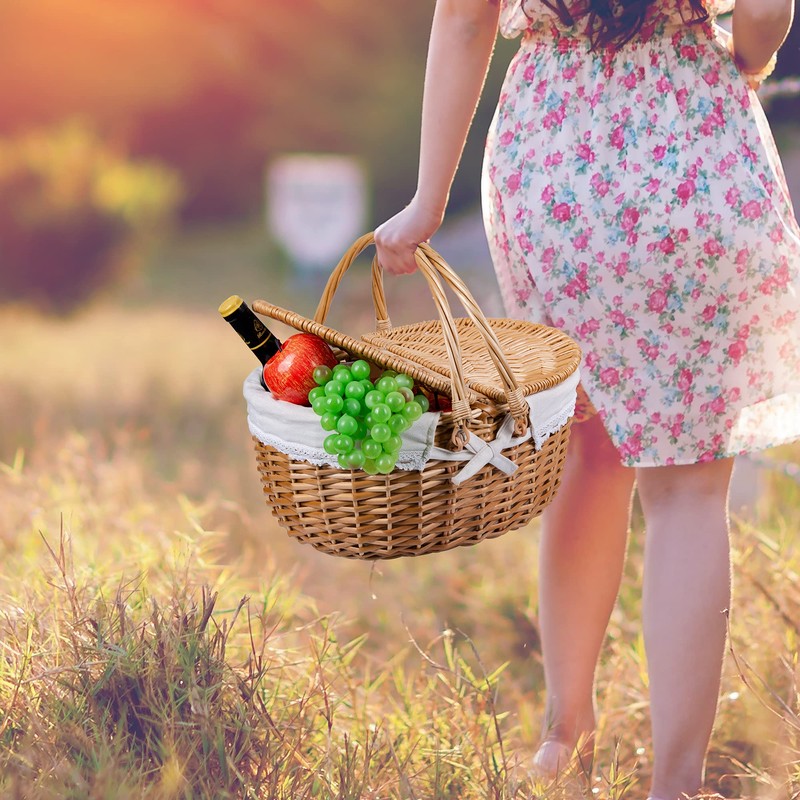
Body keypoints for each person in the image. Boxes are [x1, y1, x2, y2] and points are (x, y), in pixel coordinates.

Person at [374, 0, 800, 797]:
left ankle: (564, 733)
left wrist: (428, 202)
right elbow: (769, 12)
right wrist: (748, 56)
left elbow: (465, 21)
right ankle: (676, 782)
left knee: (587, 451)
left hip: (557, 168)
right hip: (696, 159)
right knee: (687, 490)